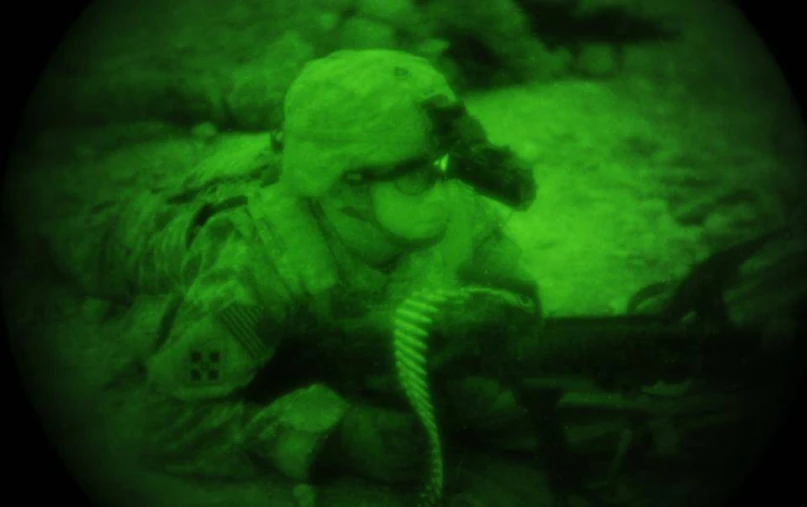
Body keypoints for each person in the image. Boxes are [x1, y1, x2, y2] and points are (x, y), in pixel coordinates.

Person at [49, 49, 543, 499]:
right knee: (58, 236)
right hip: (142, 234)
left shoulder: (440, 195)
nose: (448, 185)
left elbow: (512, 297)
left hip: (295, 173)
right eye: (420, 173)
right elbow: (161, 423)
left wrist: (491, 320)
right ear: (347, 188)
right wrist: (337, 440)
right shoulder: (258, 268)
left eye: (449, 163)